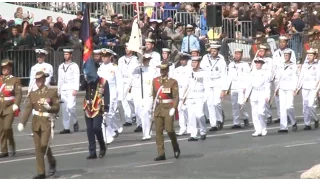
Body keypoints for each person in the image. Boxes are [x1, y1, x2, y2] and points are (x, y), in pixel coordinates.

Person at [17, 71, 58, 179]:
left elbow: (57, 108)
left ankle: (51, 160)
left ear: (44, 80)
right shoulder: (33, 94)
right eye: (37, 80)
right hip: (36, 123)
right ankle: (41, 172)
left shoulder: (51, 92)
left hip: (47, 122)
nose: (38, 82)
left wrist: (50, 108)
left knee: (44, 144)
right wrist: (22, 122)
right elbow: (28, 110)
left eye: (40, 80)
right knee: (38, 148)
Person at [79, 62, 109, 159]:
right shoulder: (87, 80)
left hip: (98, 107)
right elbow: (81, 88)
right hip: (88, 107)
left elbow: (107, 95)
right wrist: (86, 79)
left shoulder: (102, 81)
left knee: (96, 128)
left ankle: (102, 146)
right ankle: (92, 152)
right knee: (89, 130)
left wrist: (106, 109)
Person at [152, 61, 180, 161]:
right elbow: (154, 96)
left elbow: (176, 96)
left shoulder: (172, 82)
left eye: (164, 69)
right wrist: (153, 108)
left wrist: (174, 107)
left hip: (168, 108)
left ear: (167, 70)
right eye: (161, 69)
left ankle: (175, 144)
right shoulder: (155, 80)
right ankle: (161, 153)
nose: (162, 71)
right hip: (159, 108)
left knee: (169, 130)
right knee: (158, 131)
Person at [97, 48, 123, 144]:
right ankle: (111, 131)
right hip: (102, 95)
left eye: (106, 56)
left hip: (112, 95)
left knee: (110, 114)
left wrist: (119, 97)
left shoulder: (115, 68)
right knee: (104, 115)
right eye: (103, 56)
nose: (104, 58)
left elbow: (119, 83)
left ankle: (110, 132)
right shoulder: (100, 68)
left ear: (110, 57)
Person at [200, 44, 227, 131]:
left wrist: (224, 89)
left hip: (218, 82)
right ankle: (213, 124)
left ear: (218, 51)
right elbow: (202, 70)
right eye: (212, 51)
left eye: (215, 51)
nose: (213, 53)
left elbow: (224, 75)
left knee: (216, 103)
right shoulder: (205, 59)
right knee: (209, 104)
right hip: (208, 82)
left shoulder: (221, 61)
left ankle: (220, 119)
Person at [222, 48, 250, 129]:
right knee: (234, 105)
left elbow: (248, 77)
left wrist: (246, 87)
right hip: (234, 87)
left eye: (239, 54)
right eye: (236, 53)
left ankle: (245, 117)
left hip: (242, 86)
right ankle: (236, 122)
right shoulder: (231, 65)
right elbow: (229, 77)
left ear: (241, 55)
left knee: (241, 104)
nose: (237, 55)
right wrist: (226, 89)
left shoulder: (245, 64)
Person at [28, 49, 54, 137]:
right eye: (38, 57)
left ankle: (48, 126)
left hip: (45, 90)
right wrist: (29, 91)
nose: (39, 58)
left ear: (44, 57)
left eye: (41, 56)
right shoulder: (33, 67)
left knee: (45, 109)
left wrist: (42, 87)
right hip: (35, 91)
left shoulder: (48, 66)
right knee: (35, 110)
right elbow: (32, 80)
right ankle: (35, 128)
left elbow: (48, 78)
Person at [132, 54, 157, 140]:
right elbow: (130, 72)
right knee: (139, 113)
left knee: (146, 112)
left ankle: (147, 133)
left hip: (148, 94)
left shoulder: (153, 69)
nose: (146, 61)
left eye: (147, 59)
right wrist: (139, 61)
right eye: (144, 59)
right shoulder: (137, 69)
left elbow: (155, 81)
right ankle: (145, 132)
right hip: (138, 94)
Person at [0, 59, 22, 158]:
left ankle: (12, 144)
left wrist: (16, 104)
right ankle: (4, 150)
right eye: (3, 68)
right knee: (1, 130)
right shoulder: (0, 79)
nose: (4, 70)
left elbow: (18, 94)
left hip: (9, 107)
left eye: (6, 68)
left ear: (10, 68)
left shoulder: (15, 80)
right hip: (0, 107)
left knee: (7, 127)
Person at [244, 58, 270, 136]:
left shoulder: (265, 73)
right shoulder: (252, 73)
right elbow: (249, 85)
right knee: (254, 113)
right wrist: (246, 96)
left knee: (261, 112)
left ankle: (263, 127)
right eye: (256, 63)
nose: (258, 64)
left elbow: (267, 85)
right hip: (254, 93)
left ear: (262, 64)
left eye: (259, 63)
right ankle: (257, 130)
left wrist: (267, 95)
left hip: (262, 92)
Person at [57, 49, 80, 134]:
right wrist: (58, 90)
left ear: (71, 55)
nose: (65, 56)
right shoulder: (61, 66)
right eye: (64, 54)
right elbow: (60, 79)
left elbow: (76, 78)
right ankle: (66, 127)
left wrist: (76, 89)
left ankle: (75, 121)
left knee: (70, 107)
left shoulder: (74, 66)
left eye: (67, 54)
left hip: (71, 88)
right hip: (63, 88)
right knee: (64, 108)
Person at [296, 49, 320, 130]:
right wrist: (298, 87)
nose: (309, 57)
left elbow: (318, 78)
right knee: (305, 106)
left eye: (311, 55)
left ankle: (316, 119)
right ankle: (307, 124)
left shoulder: (317, 65)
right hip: (305, 87)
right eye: (308, 55)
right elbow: (301, 77)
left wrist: (317, 90)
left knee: (311, 105)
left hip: (313, 88)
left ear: (314, 56)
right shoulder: (304, 65)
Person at [186, 56, 208, 141]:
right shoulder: (189, 72)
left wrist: (205, 97)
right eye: (192, 62)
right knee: (191, 116)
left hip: (200, 95)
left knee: (199, 115)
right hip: (190, 95)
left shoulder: (203, 73)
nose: (193, 64)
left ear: (199, 63)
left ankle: (203, 131)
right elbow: (186, 84)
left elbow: (207, 85)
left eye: (195, 62)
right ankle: (193, 134)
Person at [275, 50, 298, 133]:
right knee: (282, 108)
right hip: (281, 88)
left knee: (289, 107)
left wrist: (294, 89)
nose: (286, 56)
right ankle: (283, 127)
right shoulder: (280, 65)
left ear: (290, 56)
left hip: (290, 88)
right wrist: (276, 89)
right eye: (285, 55)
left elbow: (295, 78)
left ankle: (293, 121)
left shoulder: (293, 65)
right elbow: (278, 77)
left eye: (287, 55)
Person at [118, 43, 139, 127]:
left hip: (131, 81)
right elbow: (119, 71)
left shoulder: (135, 59)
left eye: (128, 48)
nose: (126, 49)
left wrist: (132, 83)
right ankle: (128, 119)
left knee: (130, 99)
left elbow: (136, 71)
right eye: (126, 48)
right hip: (123, 81)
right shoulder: (121, 59)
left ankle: (134, 114)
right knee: (124, 101)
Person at [173, 53, 191, 135]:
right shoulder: (176, 70)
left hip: (187, 91)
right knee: (180, 111)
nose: (182, 61)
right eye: (181, 60)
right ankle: (182, 128)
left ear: (187, 61)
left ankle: (190, 127)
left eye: (184, 60)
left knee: (187, 110)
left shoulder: (190, 69)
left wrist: (186, 94)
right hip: (179, 91)